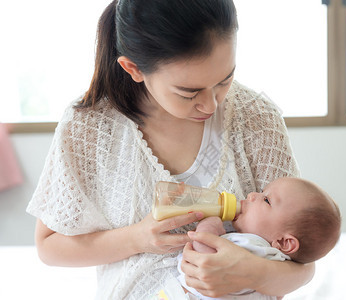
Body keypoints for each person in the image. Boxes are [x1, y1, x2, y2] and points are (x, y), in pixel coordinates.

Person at [26, 0, 314, 298]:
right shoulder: (89, 127)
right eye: (189, 92)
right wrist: (137, 239)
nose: (211, 104)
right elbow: (50, 247)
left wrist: (250, 272)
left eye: (225, 79)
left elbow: (302, 260)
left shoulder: (256, 116)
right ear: (133, 68)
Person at [166, 177, 341, 300]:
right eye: (261, 191)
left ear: (283, 242)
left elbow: (204, 256)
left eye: (266, 200)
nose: (251, 195)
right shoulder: (278, 265)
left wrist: (209, 225)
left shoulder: (253, 246)